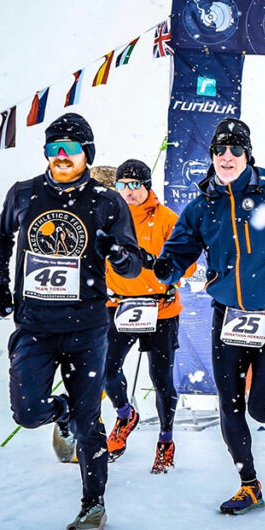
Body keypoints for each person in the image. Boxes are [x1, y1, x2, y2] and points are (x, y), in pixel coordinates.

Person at [153, 118, 265, 514]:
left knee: (259, 406)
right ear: (212, 157)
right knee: (230, 404)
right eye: (220, 150)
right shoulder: (203, 207)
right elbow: (179, 250)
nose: (227, 157)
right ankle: (249, 483)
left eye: (236, 150)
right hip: (228, 315)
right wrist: (165, 269)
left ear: (248, 155)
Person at [0, 113, 143, 530]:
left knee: (89, 421)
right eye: (53, 147)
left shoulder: (106, 202)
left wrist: (117, 255)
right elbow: (1, 237)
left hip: (87, 329)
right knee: (27, 411)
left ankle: (93, 505)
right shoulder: (24, 194)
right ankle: (58, 414)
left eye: (70, 148)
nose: (61, 155)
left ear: (86, 155)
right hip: (35, 325)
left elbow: (131, 266)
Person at [103, 159, 196, 473]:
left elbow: (189, 261)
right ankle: (126, 414)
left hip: (161, 309)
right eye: (122, 185)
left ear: (147, 186)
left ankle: (165, 440)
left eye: (135, 185)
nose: (129, 192)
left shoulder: (168, 219)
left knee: (161, 379)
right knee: (106, 371)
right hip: (118, 307)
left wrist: (169, 269)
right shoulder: (107, 218)